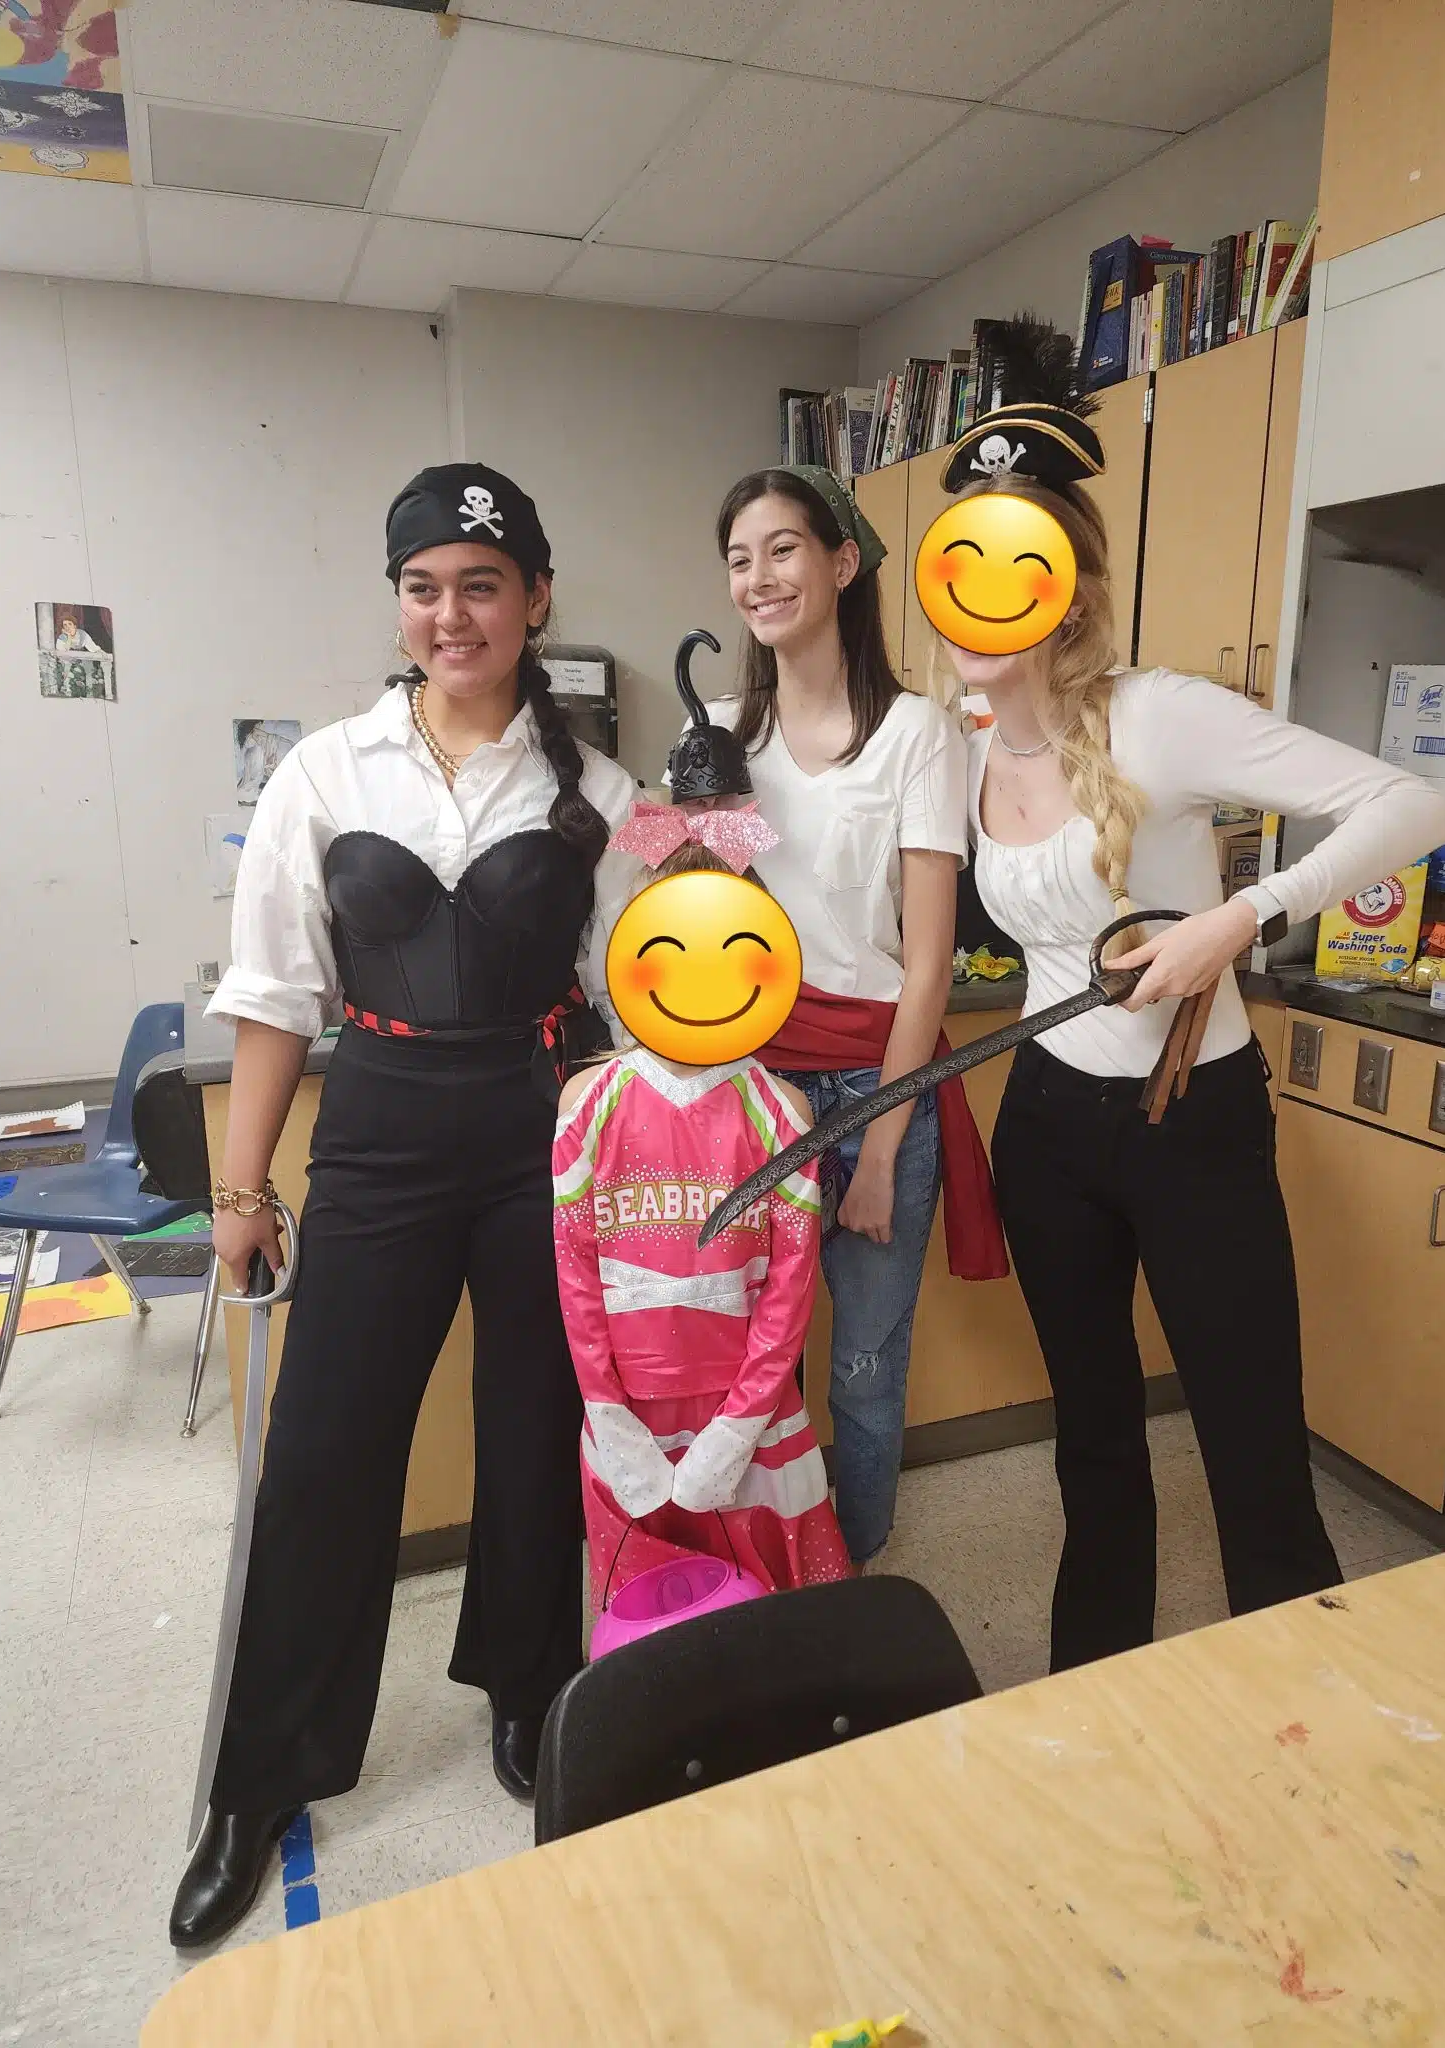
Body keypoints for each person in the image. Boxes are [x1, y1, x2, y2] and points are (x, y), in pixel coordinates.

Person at [170, 463, 636, 1948]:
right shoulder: (326, 773)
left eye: (482, 585)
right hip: (375, 1131)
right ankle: (263, 1776)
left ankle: (529, 1689)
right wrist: (242, 1188)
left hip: (541, 1126)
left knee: (534, 1424)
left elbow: (645, 999)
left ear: (535, 599)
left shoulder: (598, 794)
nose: (453, 614)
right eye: (425, 587)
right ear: (399, 604)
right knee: (322, 1451)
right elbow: (273, 998)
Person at [932, 349, 1445, 1671]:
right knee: (1094, 1437)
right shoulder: (967, 747)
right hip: (1046, 1124)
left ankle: (1296, 1707)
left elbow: (1412, 804)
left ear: (1069, 585)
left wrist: (1244, 915)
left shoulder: (1158, 716)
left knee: (1249, 1439)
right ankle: (1096, 1683)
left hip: (1192, 1121)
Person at [703, 465, 1005, 1574]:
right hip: (754, 1090)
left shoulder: (918, 733)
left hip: (881, 1083)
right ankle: (765, 1558)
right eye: (739, 558)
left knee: (866, 1368)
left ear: (841, 563)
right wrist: (663, 821)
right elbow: (686, 910)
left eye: (782, 549)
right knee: (754, 1364)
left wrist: (879, 1150)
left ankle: (853, 1567)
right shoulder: (721, 732)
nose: (759, 577)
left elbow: (926, 965)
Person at [554, 819, 851, 1608]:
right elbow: (575, 1274)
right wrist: (609, 1416)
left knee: (774, 1612)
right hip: (629, 1415)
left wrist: (738, 1426)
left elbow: (791, 1290)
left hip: (751, 1412)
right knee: (653, 1612)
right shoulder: (587, 1105)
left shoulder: (782, 1113)